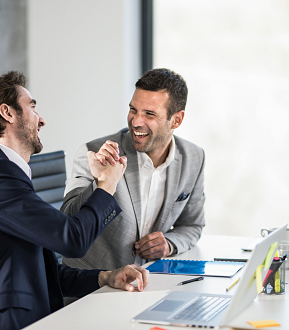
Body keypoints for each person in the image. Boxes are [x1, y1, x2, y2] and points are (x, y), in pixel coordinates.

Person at [0, 71, 149, 330]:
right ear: (7, 113)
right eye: (32, 107)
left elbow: (45, 269)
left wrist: (106, 277)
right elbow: (72, 240)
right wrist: (107, 184)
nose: (42, 120)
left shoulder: (4, 172)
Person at [61, 68, 205, 270]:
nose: (136, 122)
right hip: (92, 285)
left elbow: (192, 225)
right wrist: (102, 182)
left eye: (149, 114)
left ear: (177, 120)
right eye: (133, 110)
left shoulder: (194, 157)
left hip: (150, 281)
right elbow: (68, 222)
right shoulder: (94, 152)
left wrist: (169, 245)